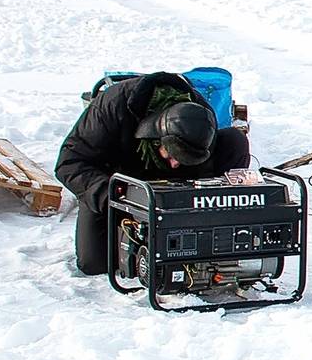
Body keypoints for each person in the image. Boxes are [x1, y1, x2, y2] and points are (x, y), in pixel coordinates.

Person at [55, 71, 250, 276]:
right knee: (96, 263)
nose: (175, 164)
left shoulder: (200, 118)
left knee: (234, 140)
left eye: (181, 159)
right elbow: (69, 163)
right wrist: (113, 196)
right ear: (155, 137)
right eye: (172, 156)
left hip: (172, 188)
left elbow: (203, 168)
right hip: (116, 186)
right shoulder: (112, 106)